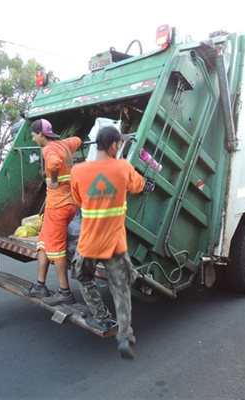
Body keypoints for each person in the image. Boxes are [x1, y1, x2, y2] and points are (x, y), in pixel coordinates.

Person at [70, 125, 153, 360]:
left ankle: (101, 316)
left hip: (88, 243)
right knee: (121, 287)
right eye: (120, 143)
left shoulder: (78, 171)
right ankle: (125, 335)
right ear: (114, 145)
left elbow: (78, 200)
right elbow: (138, 186)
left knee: (83, 278)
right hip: (115, 244)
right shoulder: (123, 167)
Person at [23, 118, 82, 306]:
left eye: (33, 136)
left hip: (58, 207)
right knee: (43, 243)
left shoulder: (48, 149)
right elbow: (78, 140)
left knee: (56, 250)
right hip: (68, 205)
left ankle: (65, 292)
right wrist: (69, 140)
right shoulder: (65, 145)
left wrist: (54, 179)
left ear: (41, 134)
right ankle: (40, 286)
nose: (33, 139)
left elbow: (54, 163)